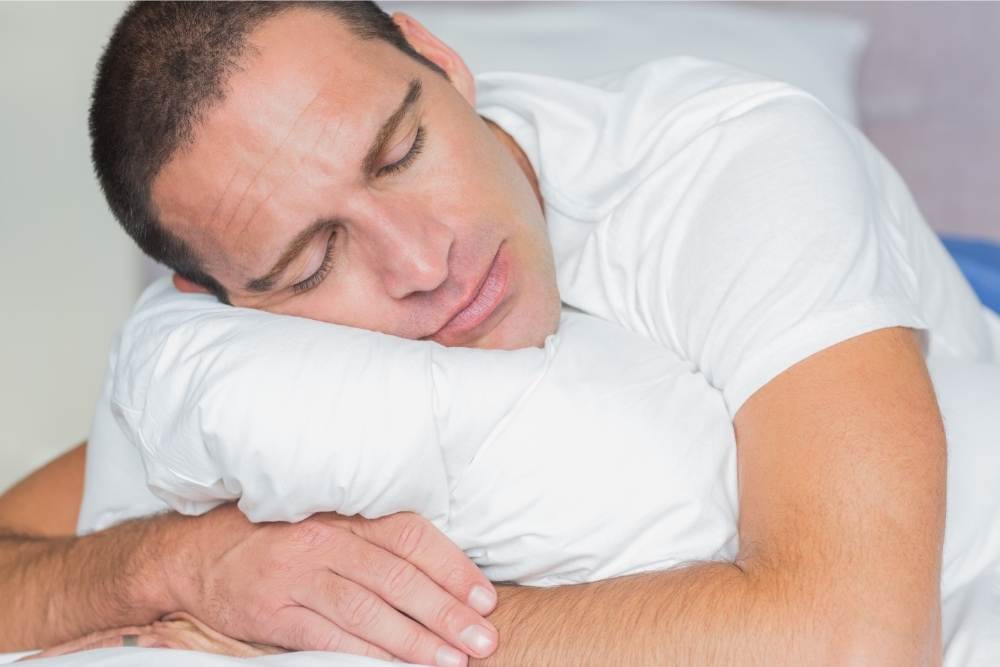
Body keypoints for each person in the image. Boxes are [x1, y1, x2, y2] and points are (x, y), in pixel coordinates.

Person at [2, 1, 997, 664]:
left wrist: (354, 631)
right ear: (213, 294)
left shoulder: (742, 166)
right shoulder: (224, 356)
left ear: (436, 58)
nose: (423, 260)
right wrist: (174, 567)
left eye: (400, 152)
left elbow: (861, 637)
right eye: (314, 260)